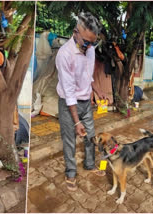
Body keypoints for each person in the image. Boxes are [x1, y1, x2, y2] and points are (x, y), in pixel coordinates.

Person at [56, 12, 107, 191]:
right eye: (86, 41)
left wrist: (96, 89)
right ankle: (70, 172)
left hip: (86, 102)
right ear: (75, 32)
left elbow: (87, 76)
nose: (89, 46)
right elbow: (69, 92)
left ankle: (90, 164)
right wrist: (76, 121)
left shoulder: (90, 49)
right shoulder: (64, 55)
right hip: (68, 104)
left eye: (93, 42)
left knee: (91, 137)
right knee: (69, 139)